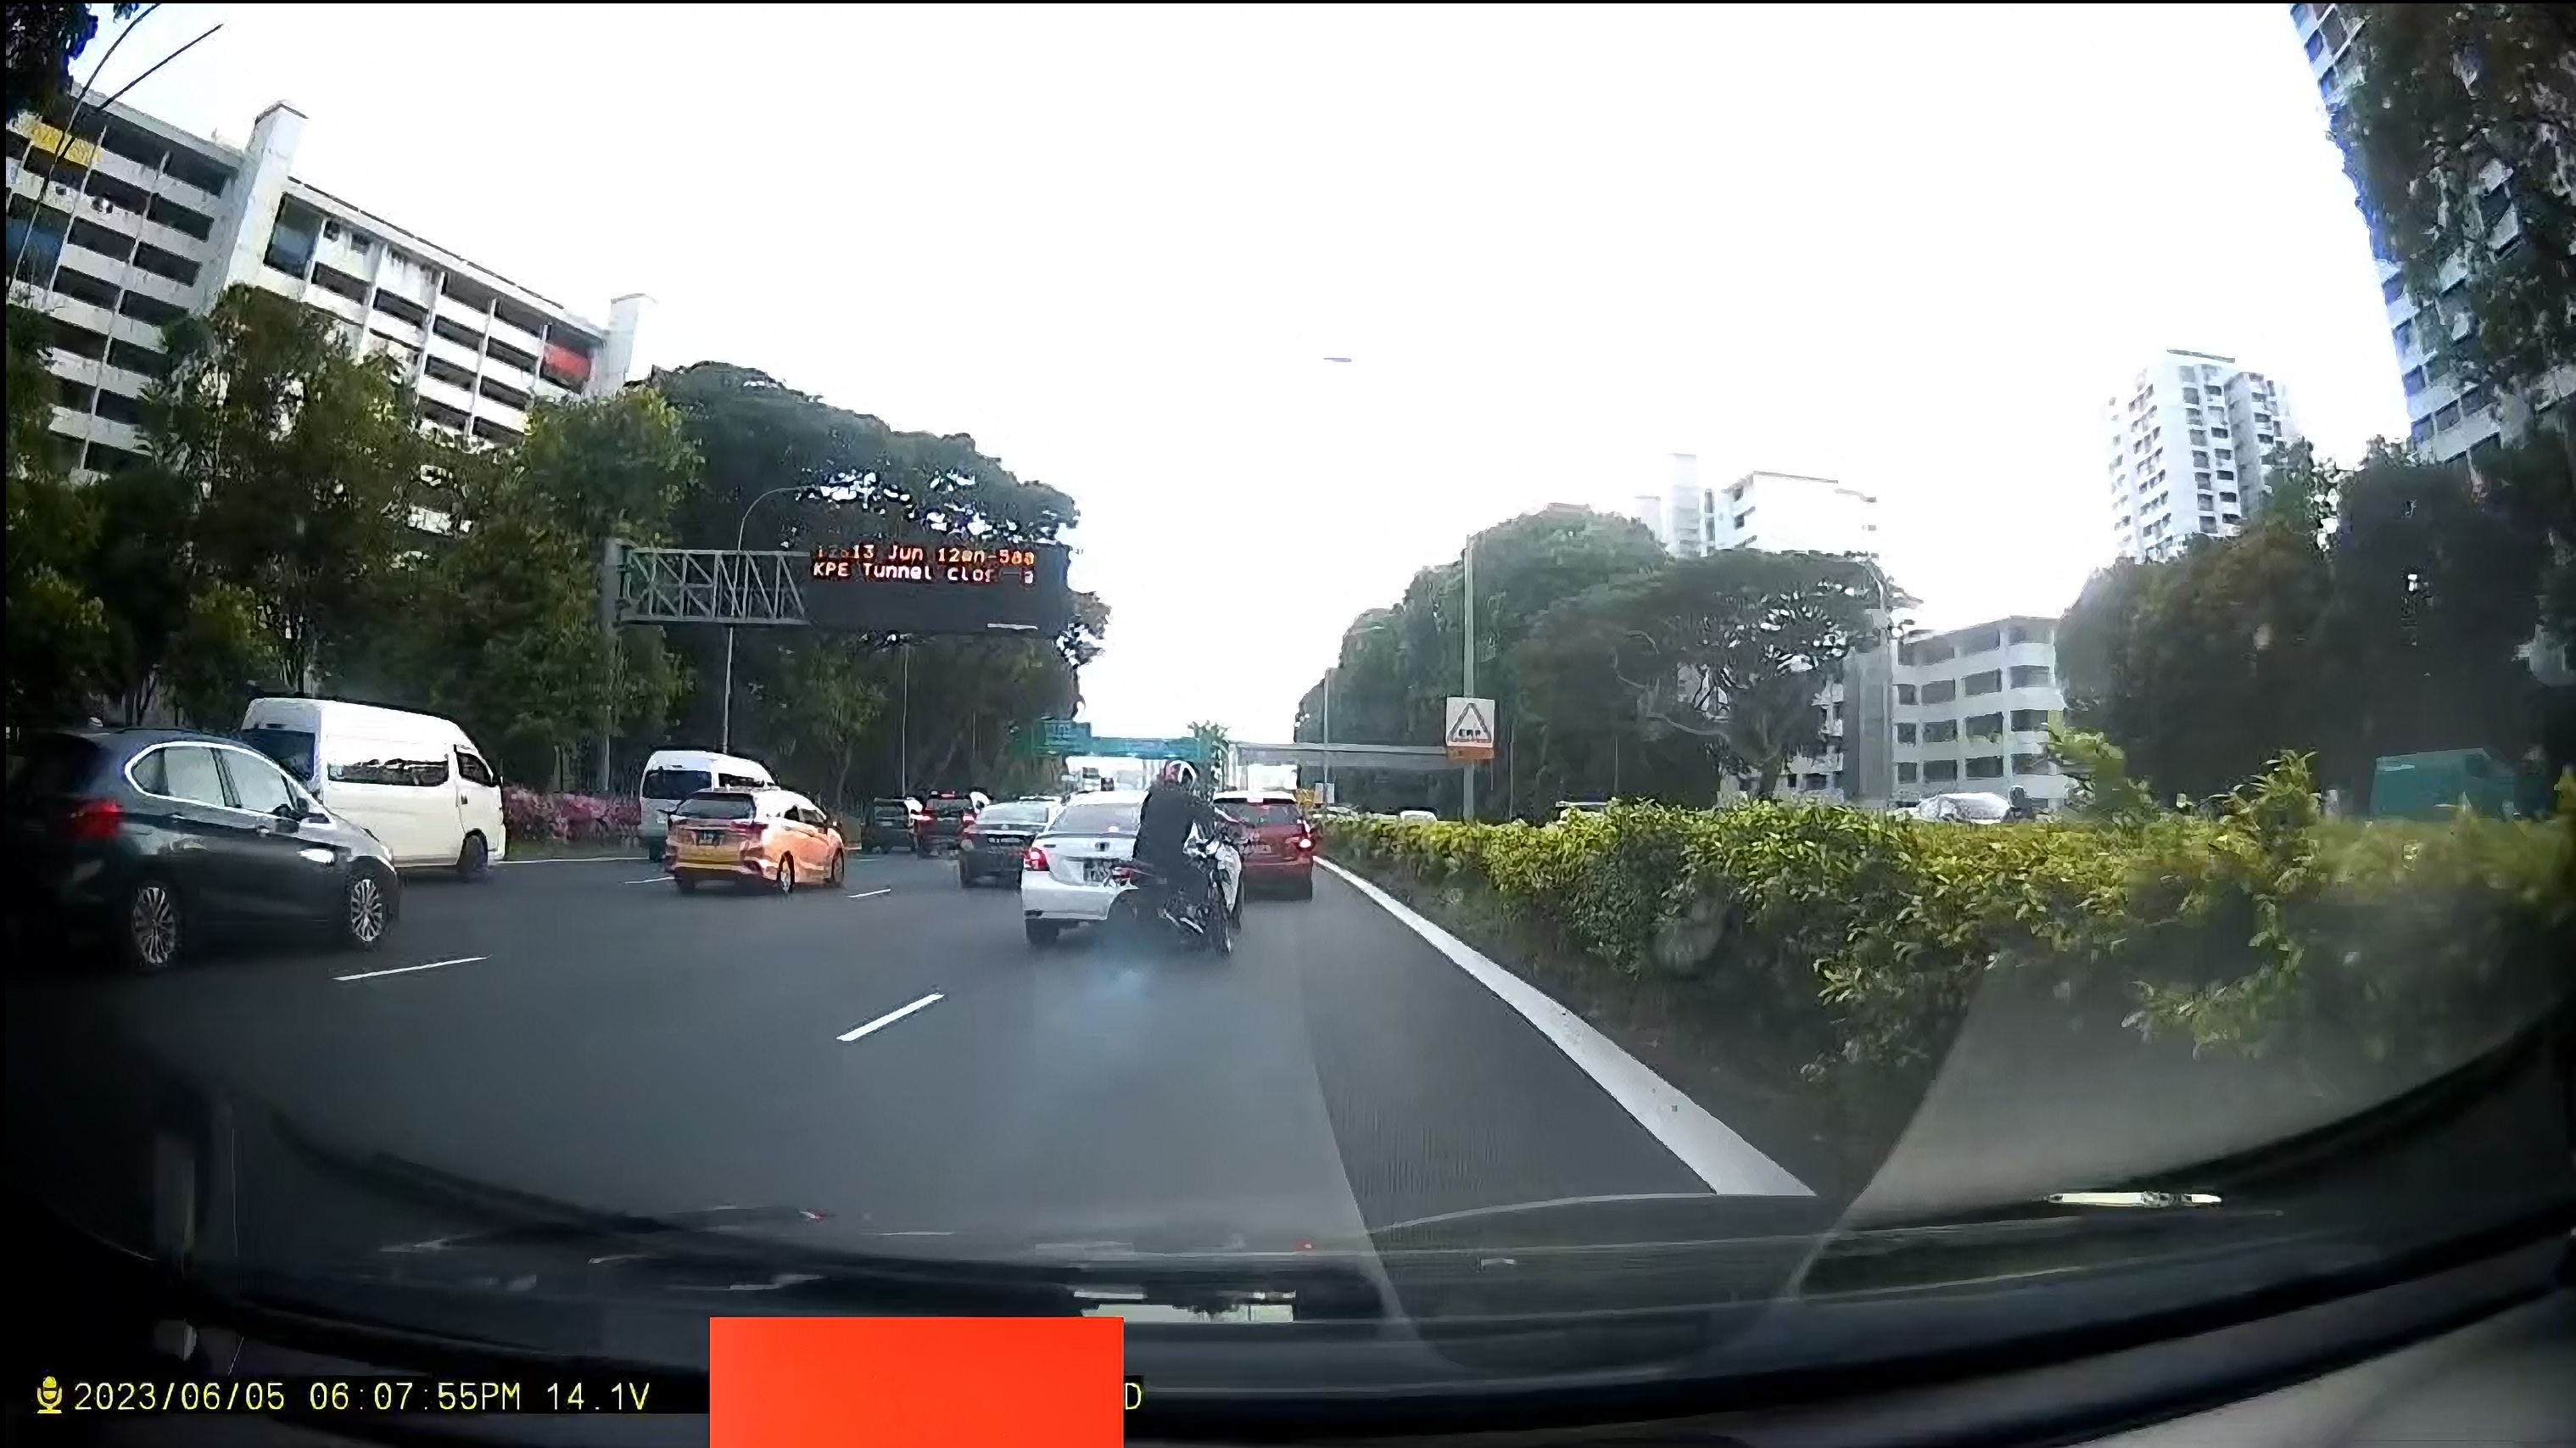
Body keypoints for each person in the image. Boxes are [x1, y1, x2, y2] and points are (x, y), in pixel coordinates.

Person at [1135, 759, 1226, 928]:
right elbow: (1210, 815)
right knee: (1199, 878)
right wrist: (1234, 823)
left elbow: (1143, 820)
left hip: (1141, 857)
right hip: (1169, 857)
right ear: (1187, 781)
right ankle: (1190, 912)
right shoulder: (1187, 799)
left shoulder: (1151, 797)